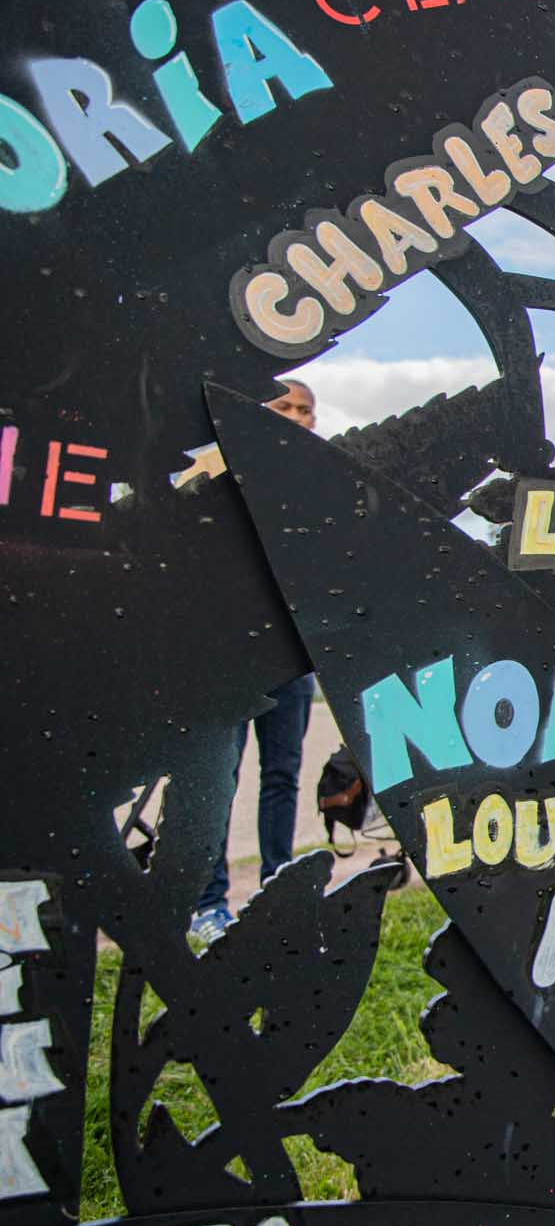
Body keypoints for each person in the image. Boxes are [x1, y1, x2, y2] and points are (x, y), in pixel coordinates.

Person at [180, 379, 322, 944]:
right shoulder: (211, 474)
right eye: (282, 405)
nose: (294, 415)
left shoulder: (318, 486)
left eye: (304, 409)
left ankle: (277, 892)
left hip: (289, 658)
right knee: (217, 779)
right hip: (226, 657)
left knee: (282, 777)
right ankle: (208, 903)